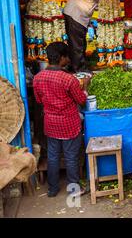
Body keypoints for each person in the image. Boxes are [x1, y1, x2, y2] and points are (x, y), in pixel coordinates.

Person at [33, 42, 89, 197]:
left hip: (50, 124)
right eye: (67, 57)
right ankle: (74, 190)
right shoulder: (68, 79)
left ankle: (52, 189)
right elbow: (81, 100)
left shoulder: (38, 78)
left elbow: (38, 100)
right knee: (71, 157)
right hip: (69, 124)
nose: (69, 60)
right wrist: (84, 87)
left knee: (52, 156)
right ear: (62, 58)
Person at [64, 0, 128, 72]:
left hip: (79, 17)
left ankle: (79, 66)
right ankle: (79, 70)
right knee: (76, 44)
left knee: (80, 43)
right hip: (74, 14)